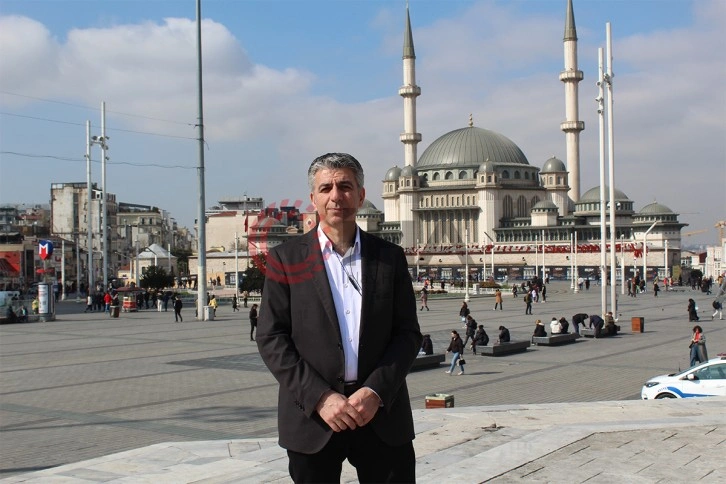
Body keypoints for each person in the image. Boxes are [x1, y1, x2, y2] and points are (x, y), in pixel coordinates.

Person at [256, 153, 422, 483]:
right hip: (314, 419)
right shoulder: (286, 259)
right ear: (314, 198)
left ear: (361, 195)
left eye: (345, 186)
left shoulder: (388, 258)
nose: (336, 196)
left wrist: (374, 392)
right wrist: (320, 397)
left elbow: (407, 334)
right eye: (326, 187)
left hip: (380, 416)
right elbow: (272, 337)